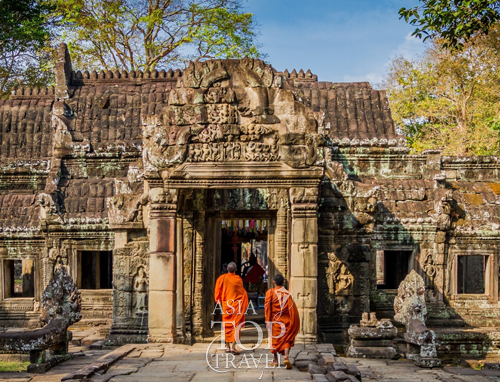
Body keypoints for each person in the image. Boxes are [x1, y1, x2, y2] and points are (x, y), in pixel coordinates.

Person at [265, 274, 300, 369]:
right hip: (286, 321)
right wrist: (293, 320)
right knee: (286, 338)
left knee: (274, 340)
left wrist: (268, 321)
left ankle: (275, 360)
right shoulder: (287, 294)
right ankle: (286, 356)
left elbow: (267, 308)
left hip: (275, 321)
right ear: (283, 283)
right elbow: (292, 309)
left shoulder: (270, 293)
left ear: (273, 282)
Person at [214, 262, 249, 354]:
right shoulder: (238, 279)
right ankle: (233, 346)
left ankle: (227, 346)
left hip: (226, 305)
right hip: (236, 305)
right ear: (236, 270)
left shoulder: (222, 278)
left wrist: (218, 299)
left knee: (227, 326)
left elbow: (217, 290)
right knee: (236, 326)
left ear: (227, 269)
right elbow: (242, 293)